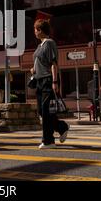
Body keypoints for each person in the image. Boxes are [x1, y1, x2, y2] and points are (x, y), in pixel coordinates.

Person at [30, 19, 69, 149]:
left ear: (40, 30)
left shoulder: (49, 43)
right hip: (39, 80)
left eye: (35, 29)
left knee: (46, 111)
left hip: (48, 80)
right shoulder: (39, 45)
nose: (34, 32)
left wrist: (54, 81)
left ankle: (48, 141)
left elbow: (53, 64)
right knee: (42, 111)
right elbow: (40, 62)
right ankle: (62, 127)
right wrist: (34, 70)